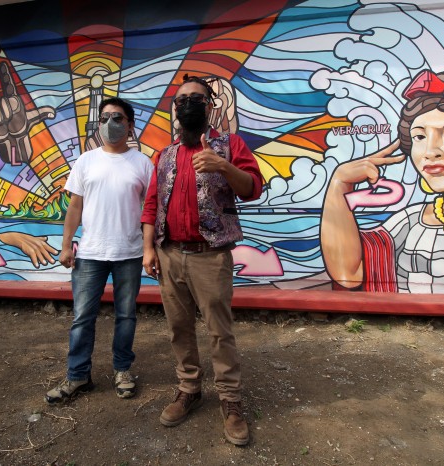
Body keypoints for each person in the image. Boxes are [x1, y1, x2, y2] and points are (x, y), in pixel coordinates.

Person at [321, 61, 444, 295]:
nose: (430, 151)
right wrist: (340, 184)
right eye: (420, 137)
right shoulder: (410, 223)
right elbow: (349, 274)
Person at [141, 75, 263, 446]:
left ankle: (230, 400)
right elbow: (151, 203)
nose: (188, 104)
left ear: (210, 106)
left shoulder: (230, 145)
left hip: (210, 256)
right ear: (174, 109)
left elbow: (253, 189)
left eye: (196, 98)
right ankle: (189, 389)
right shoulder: (164, 154)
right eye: (181, 99)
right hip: (169, 254)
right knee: (179, 328)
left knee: (219, 331)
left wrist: (223, 166)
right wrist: (148, 249)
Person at [45, 97, 153, 403]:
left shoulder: (143, 164)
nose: (109, 124)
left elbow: (150, 210)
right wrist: (66, 246)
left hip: (129, 253)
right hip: (90, 253)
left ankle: (123, 370)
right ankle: (78, 375)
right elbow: (74, 207)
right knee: (82, 317)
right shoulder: (85, 161)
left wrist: (150, 248)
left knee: (126, 316)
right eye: (104, 118)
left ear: (130, 125)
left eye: (117, 118)